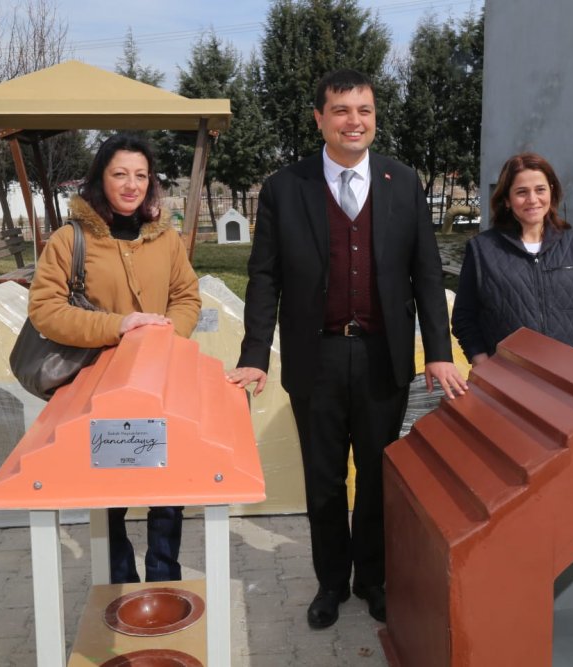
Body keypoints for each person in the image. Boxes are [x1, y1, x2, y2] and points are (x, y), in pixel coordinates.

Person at [226, 69, 467, 629]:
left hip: (384, 356)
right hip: (318, 358)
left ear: (374, 118)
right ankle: (331, 583)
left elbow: (427, 273)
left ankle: (373, 580)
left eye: (364, 110)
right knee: (325, 479)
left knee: (380, 476)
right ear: (320, 119)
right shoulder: (286, 188)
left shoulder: (403, 182)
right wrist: (255, 354)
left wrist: (437, 350)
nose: (354, 121)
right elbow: (264, 277)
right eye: (341, 110)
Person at [28, 132, 202, 584]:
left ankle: (164, 579)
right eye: (120, 174)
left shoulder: (165, 238)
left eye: (141, 175)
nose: (131, 185)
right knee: (109, 491)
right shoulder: (70, 239)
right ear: (100, 179)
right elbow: (45, 309)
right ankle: (119, 584)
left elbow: (186, 296)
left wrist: (166, 335)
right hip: (97, 385)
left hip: (159, 380)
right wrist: (117, 326)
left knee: (168, 488)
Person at [451, 152, 573, 366]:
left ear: (551, 191)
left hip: (570, 374)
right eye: (521, 192)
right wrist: (484, 364)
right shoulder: (482, 250)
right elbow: (464, 319)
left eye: (540, 190)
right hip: (509, 375)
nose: (532, 199)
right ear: (507, 199)